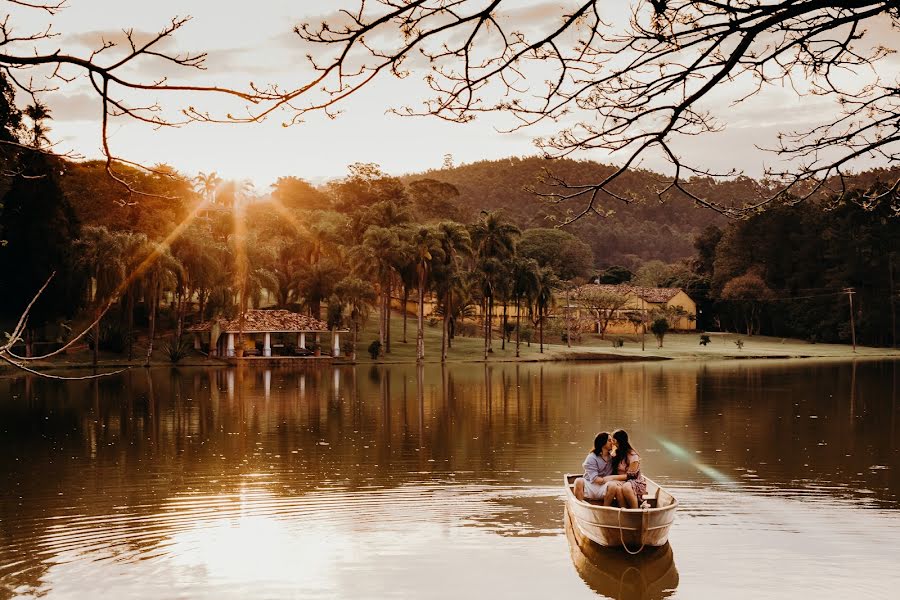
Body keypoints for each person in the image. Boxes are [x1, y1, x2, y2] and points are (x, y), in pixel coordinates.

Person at [603, 429, 647, 509]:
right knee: (618, 489)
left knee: (626, 486)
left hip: (634, 481)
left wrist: (612, 478)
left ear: (619, 441)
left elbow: (630, 476)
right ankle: (625, 511)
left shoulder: (633, 456)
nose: (612, 442)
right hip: (620, 481)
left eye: (614, 440)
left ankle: (635, 510)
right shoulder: (616, 453)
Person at [574, 432, 615, 502]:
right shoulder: (592, 457)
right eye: (609, 440)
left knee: (613, 485)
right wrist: (610, 478)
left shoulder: (613, 457)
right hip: (590, 485)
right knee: (578, 481)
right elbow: (595, 479)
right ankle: (580, 507)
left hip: (604, 486)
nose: (612, 443)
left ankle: (605, 509)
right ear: (602, 442)